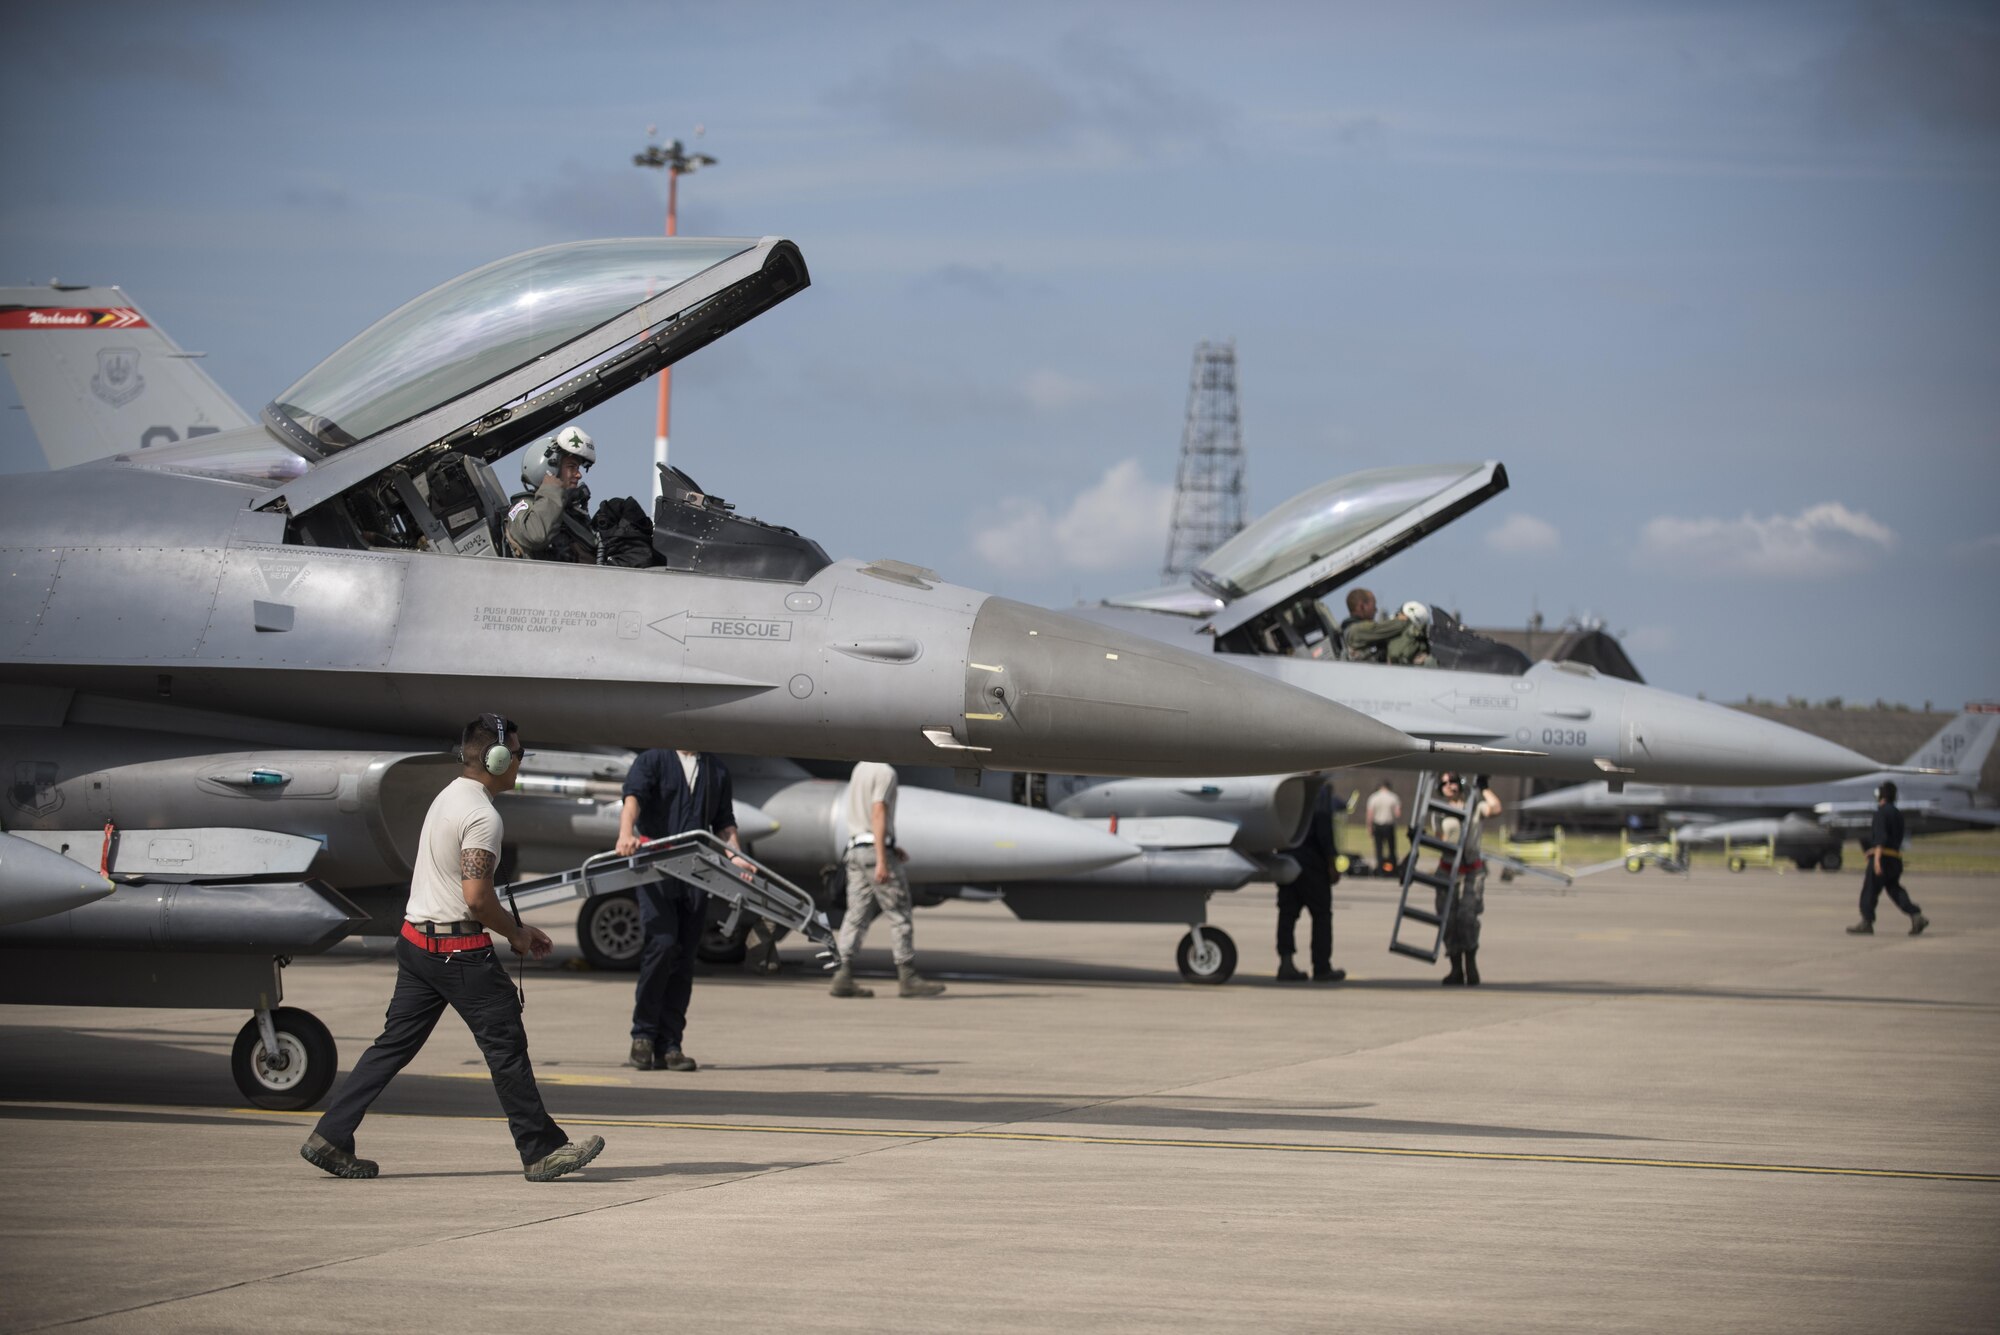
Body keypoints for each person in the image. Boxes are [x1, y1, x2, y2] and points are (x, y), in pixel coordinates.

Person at [302, 714, 604, 1182]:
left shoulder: (447, 796)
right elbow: (477, 899)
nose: (521, 762)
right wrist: (516, 935)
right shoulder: (482, 815)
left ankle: (330, 1135)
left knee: (391, 1047)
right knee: (505, 1046)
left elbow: (456, 886)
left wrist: (519, 926)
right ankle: (541, 1152)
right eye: (519, 754)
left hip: (417, 944)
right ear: (497, 759)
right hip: (458, 952)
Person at [616, 747, 750, 1070]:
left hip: (696, 871)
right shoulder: (653, 759)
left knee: (685, 956)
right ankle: (643, 1036)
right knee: (661, 945)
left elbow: (724, 822)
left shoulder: (716, 769)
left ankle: (670, 1044)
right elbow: (632, 799)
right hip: (656, 866)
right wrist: (625, 834)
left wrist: (737, 856)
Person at [829, 761, 945, 999]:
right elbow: (878, 810)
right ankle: (908, 977)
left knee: (856, 915)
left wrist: (892, 846)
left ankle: (842, 975)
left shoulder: (860, 768)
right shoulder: (885, 772)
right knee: (900, 913)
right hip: (874, 851)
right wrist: (883, 857)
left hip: (856, 849)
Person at [1433, 773, 1502, 986]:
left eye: (1452, 781)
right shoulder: (1439, 812)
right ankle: (1456, 969)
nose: (1449, 786)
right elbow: (1439, 838)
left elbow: (1495, 808)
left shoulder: (1474, 806)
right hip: (1448, 870)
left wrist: (1483, 788)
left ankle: (1470, 964)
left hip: (1471, 870)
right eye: (1444, 783)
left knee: (1467, 917)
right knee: (1448, 920)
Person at [1276, 783, 1344, 982]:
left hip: (1287, 857)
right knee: (1321, 915)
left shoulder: (1287, 787)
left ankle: (1286, 962)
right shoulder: (1318, 790)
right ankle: (1321, 967)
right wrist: (1331, 861)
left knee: (1287, 914)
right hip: (1312, 861)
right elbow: (1324, 828)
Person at [1847, 781, 1929, 936]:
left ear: (1879, 795)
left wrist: (1876, 860)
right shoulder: (1897, 813)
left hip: (1883, 860)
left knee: (1870, 890)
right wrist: (1874, 851)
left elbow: (1881, 838)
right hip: (1895, 859)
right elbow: (1891, 839)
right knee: (1895, 889)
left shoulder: (1881, 813)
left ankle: (1866, 922)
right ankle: (1916, 916)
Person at [505, 426, 598, 562]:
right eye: (571, 467)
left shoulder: (565, 512)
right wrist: (551, 489)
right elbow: (537, 536)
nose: (579, 474)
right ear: (549, 467)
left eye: (577, 468)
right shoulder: (523, 507)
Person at [1340, 590, 1431, 665]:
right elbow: (1395, 626)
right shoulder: (1356, 631)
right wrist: (1406, 618)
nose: (1376, 610)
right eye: (1374, 605)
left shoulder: (1352, 630)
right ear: (1362, 606)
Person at [1366, 779, 1403, 872]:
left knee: (1379, 848)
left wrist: (1369, 827)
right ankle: (1393, 868)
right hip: (1389, 825)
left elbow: (1370, 814)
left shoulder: (1373, 797)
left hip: (1377, 825)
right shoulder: (1393, 797)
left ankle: (1380, 869)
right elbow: (1398, 813)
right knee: (1391, 848)